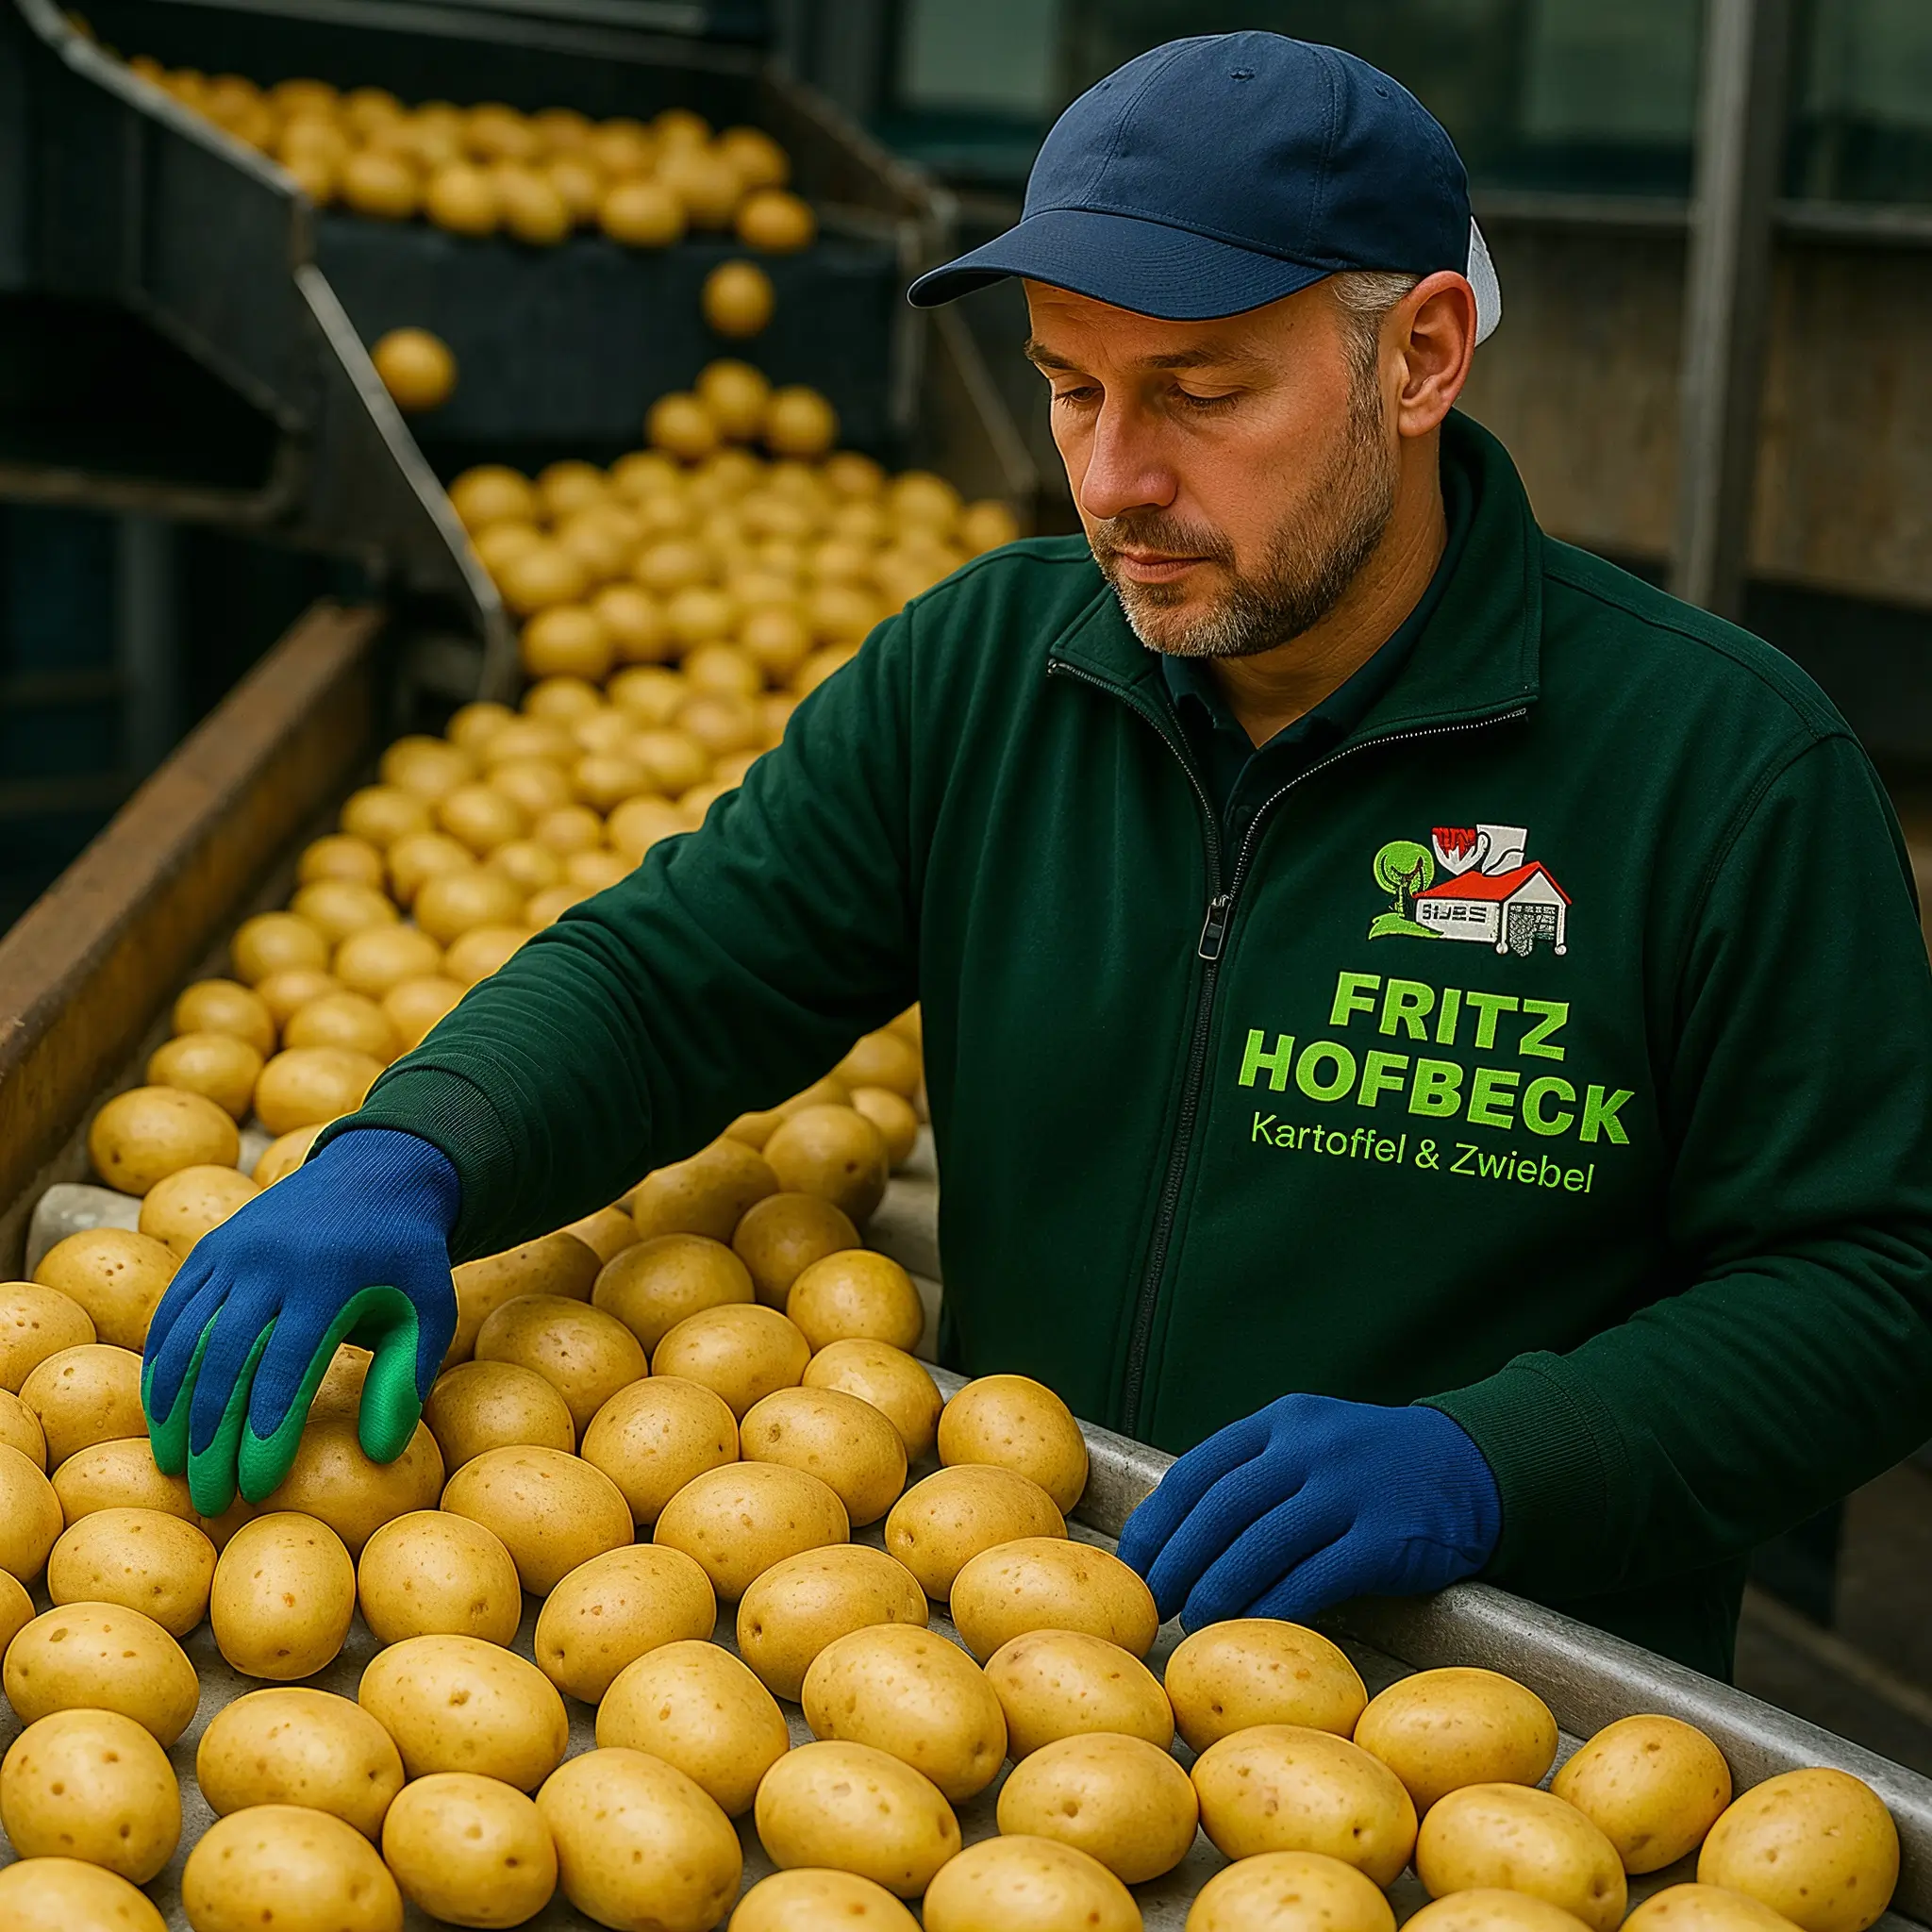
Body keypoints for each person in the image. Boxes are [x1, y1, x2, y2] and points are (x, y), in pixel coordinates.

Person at [142, 32, 1932, 1680]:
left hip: (1485, 1711)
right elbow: (686, 968)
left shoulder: (1718, 770)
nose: (1113, 479)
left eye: (1199, 395)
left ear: (1419, 359)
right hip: (1025, 1647)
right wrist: (420, 1148)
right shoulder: (991, 672)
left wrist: (1495, 1461)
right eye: (1069, 389)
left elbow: (1872, 1287)